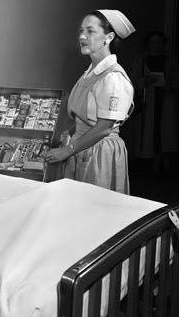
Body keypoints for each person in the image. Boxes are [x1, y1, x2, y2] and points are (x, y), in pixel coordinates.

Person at [45, 10, 135, 194]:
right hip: (81, 146)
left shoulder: (113, 77)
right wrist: (70, 132)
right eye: (81, 31)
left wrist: (68, 150)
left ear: (108, 37)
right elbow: (86, 114)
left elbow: (104, 127)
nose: (82, 36)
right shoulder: (90, 72)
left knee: (94, 209)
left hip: (99, 153)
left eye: (90, 31)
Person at [129, 31, 179, 173]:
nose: (155, 44)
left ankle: (164, 162)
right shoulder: (141, 59)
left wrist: (171, 86)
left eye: (158, 42)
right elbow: (134, 77)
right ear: (148, 44)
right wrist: (145, 81)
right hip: (148, 99)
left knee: (164, 131)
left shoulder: (170, 60)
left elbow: (176, 79)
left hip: (165, 99)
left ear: (163, 44)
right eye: (152, 41)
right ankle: (152, 163)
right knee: (149, 131)